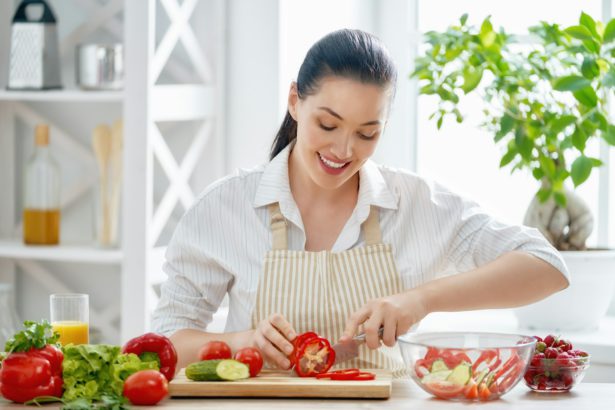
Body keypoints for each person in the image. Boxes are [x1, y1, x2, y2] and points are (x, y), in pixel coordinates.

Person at [151, 29, 569, 376]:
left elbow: (547, 266)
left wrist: (420, 299)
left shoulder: (417, 204)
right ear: (295, 101)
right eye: (328, 124)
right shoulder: (225, 207)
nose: (343, 150)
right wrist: (241, 341)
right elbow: (164, 345)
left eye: (367, 133)